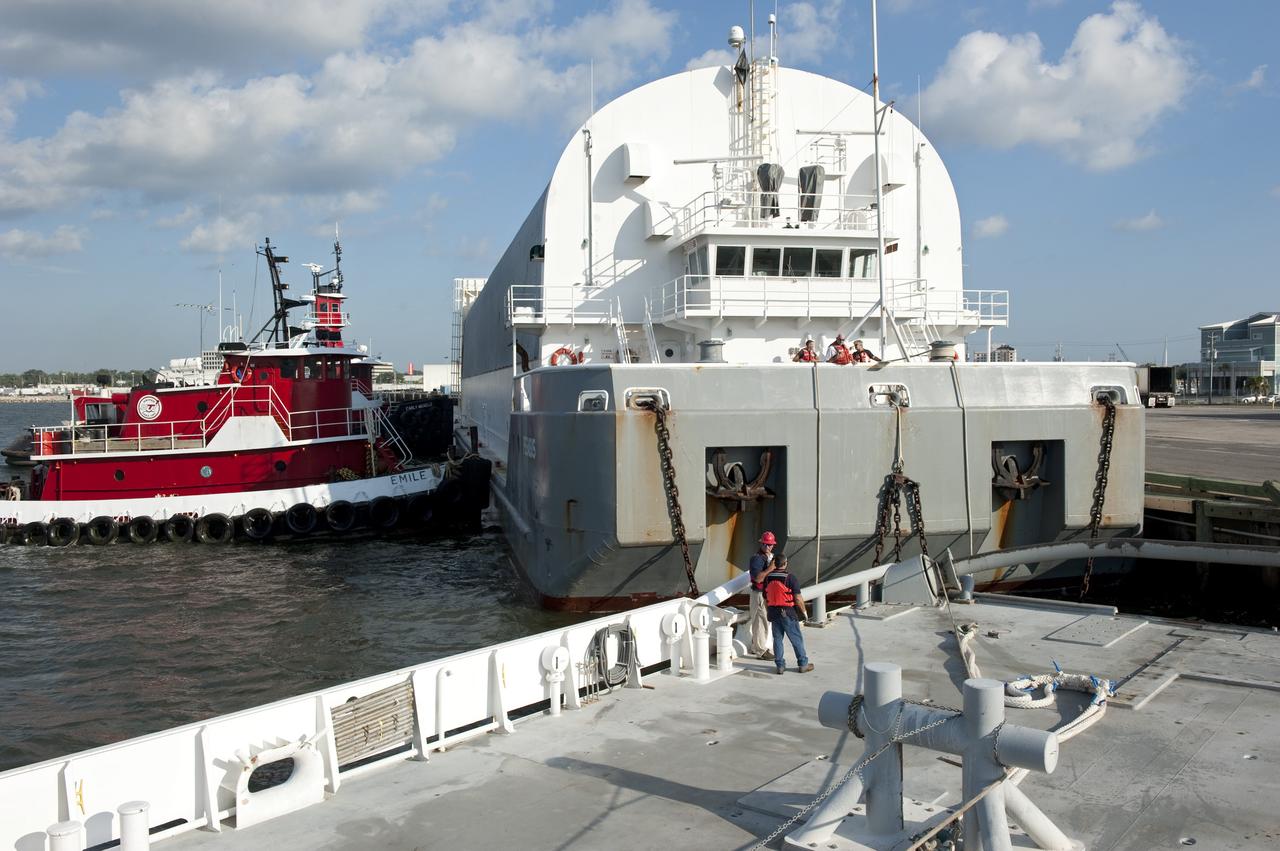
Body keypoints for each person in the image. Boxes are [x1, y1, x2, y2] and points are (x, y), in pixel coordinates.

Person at [763, 553, 813, 674]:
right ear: (785, 564)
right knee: (796, 639)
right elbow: (798, 598)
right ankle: (803, 664)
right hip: (788, 613)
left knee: (777, 639)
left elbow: (765, 598)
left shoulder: (768, 578)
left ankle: (780, 666)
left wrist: (768, 611)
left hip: (773, 613)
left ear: (775, 564)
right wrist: (804, 612)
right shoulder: (790, 578)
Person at [747, 531, 777, 660]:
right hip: (759, 594)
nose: (767, 547)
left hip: (765, 594)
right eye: (765, 544)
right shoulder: (757, 559)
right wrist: (770, 568)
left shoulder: (769, 557)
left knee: (764, 620)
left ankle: (757, 647)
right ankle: (760, 650)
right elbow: (758, 579)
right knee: (760, 621)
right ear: (761, 543)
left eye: (770, 544)